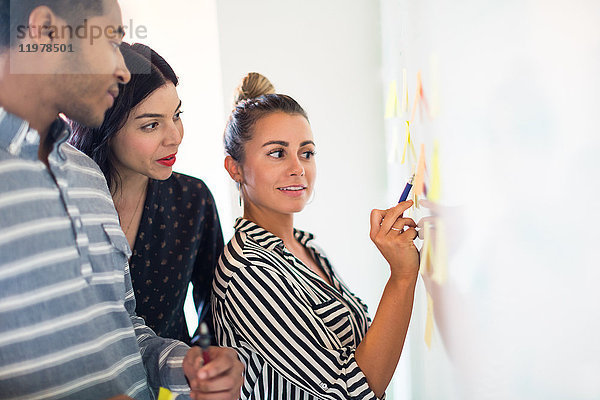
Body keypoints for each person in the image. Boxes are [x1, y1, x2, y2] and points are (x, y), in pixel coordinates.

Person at [0, 1, 243, 399]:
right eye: (110, 40)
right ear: (45, 31)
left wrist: (188, 365)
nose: (125, 67)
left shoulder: (83, 175)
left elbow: (123, 328)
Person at [212, 73, 419, 399]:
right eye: (277, 153)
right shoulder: (248, 271)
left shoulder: (306, 248)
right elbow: (351, 391)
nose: (298, 168)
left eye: (306, 153)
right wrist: (402, 276)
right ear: (234, 168)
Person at [70, 42, 224, 345]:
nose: (175, 137)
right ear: (105, 126)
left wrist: (199, 364)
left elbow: (214, 311)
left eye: (177, 115)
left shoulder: (193, 199)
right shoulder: (66, 201)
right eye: (151, 125)